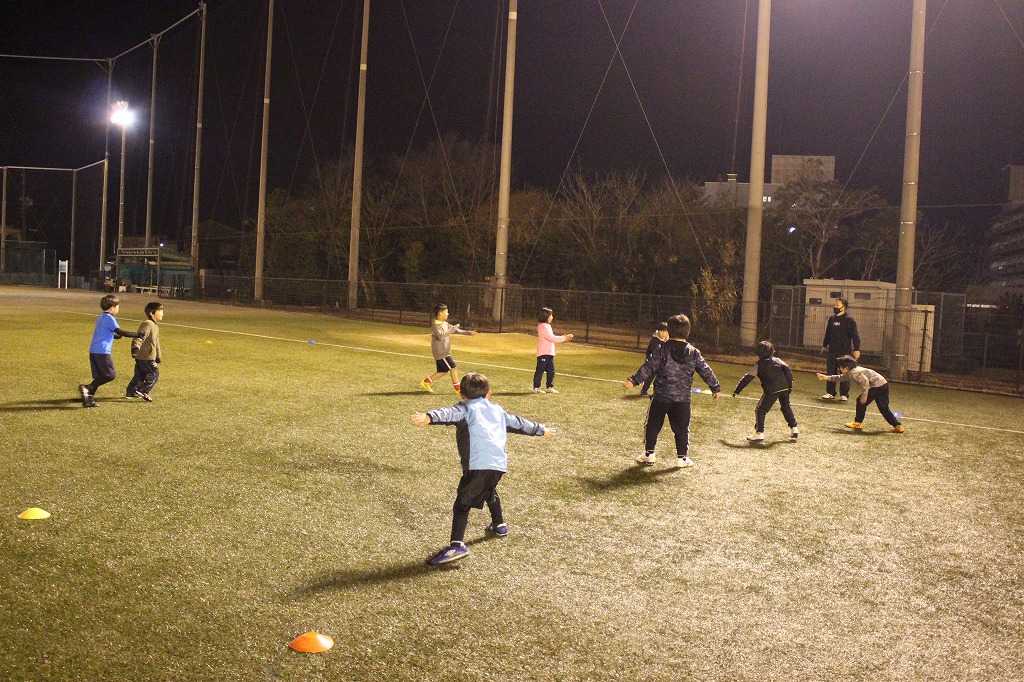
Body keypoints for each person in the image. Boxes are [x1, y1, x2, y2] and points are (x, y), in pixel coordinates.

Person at [411, 372, 548, 566]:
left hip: (477, 466)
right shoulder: (498, 411)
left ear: (461, 395)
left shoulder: (465, 408)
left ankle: (457, 545)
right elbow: (518, 423)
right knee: (488, 490)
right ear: (489, 393)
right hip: (498, 465)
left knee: (462, 503)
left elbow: (448, 413)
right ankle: (499, 524)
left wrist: (429, 417)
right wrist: (540, 429)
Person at [624, 314, 721, 467]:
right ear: (688, 331)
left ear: (669, 330)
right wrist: (715, 387)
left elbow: (649, 366)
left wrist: (634, 380)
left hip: (661, 397)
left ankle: (649, 454)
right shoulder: (694, 352)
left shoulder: (662, 349)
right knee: (682, 428)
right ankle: (682, 458)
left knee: (653, 425)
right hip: (682, 399)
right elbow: (705, 370)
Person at [79, 294, 140, 408]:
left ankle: (88, 399)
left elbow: (105, 333)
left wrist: (115, 336)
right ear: (112, 307)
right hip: (102, 351)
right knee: (110, 375)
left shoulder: (101, 317)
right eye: (118, 306)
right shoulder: (110, 319)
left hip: (94, 351)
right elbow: (121, 332)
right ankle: (87, 388)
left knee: (100, 376)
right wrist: (137, 334)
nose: (118, 308)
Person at [816, 356, 905, 433]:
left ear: (846, 368)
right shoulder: (852, 371)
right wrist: (826, 377)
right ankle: (898, 426)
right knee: (883, 407)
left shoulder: (855, 373)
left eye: (840, 367)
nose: (839, 369)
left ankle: (857, 423)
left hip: (877, 386)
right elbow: (841, 378)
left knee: (860, 401)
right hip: (883, 384)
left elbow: (865, 383)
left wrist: (864, 396)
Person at [733, 340, 799, 442]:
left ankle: (759, 433)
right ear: (772, 351)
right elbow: (788, 371)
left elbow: (747, 378)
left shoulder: (759, 365)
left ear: (758, 352)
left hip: (772, 390)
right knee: (786, 407)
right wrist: (789, 386)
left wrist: (737, 390)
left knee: (760, 410)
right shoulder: (778, 360)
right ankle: (794, 429)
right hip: (784, 388)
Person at [420, 303, 477, 395]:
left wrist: (467, 332)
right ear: (440, 313)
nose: (448, 314)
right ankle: (458, 389)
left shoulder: (444, 323)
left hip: (445, 352)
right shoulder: (435, 325)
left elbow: (455, 330)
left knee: (443, 371)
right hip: (441, 353)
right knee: (453, 367)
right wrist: (451, 329)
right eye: (446, 312)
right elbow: (440, 336)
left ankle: (426, 382)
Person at [821, 297, 861, 401]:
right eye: (835, 305)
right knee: (831, 371)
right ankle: (830, 393)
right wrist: (824, 345)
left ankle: (844, 394)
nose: (835, 307)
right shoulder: (832, 319)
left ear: (844, 307)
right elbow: (828, 333)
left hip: (844, 352)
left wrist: (856, 349)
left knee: (844, 372)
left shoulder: (849, 320)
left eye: (837, 305)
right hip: (832, 351)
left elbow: (855, 335)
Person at [126, 301, 164, 402]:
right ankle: (143, 390)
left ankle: (131, 391)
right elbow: (139, 337)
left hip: (143, 357)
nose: (162, 313)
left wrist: (158, 356)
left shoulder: (155, 326)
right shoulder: (148, 324)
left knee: (140, 375)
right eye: (160, 311)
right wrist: (135, 348)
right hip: (146, 357)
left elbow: (156, 342)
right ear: (152, 313)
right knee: (154, 374)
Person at [533, 307, 574, 394]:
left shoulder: (547, 326)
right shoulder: (542, 326)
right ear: (546, 316)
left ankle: (549, 387)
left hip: (549, 353)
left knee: (551, 371)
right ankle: (536, 387)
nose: (552, 317)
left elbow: (553, 338)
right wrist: (565, 338)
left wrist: (564, 338)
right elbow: (552, 338)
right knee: (540, 371)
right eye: (551, 315)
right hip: (543, 353)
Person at [639, 322, 669, 397]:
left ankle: (656, 393)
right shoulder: (655, 340)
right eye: (663, 331)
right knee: (650, 377)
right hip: (654, 362)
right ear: (659, 331)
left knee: (661, 378)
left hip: (663, 363)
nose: (664, 333)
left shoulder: (667, 340)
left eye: (666, 331)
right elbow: (650, 351)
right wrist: (648, 359)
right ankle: (644, 390)